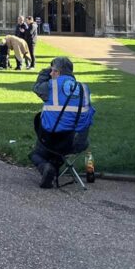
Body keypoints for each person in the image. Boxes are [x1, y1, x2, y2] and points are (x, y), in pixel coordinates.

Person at [29, 56, 95, 189]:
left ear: (58, 72)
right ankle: (54, 165)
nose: (51, 73)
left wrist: (45, 71)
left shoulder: (51, 86)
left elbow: (36, 87)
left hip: (53, 141)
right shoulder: (84, 88)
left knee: (35, 154)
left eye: (53, 71)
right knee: (61, 140)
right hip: (77, 142)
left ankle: (46, 167)